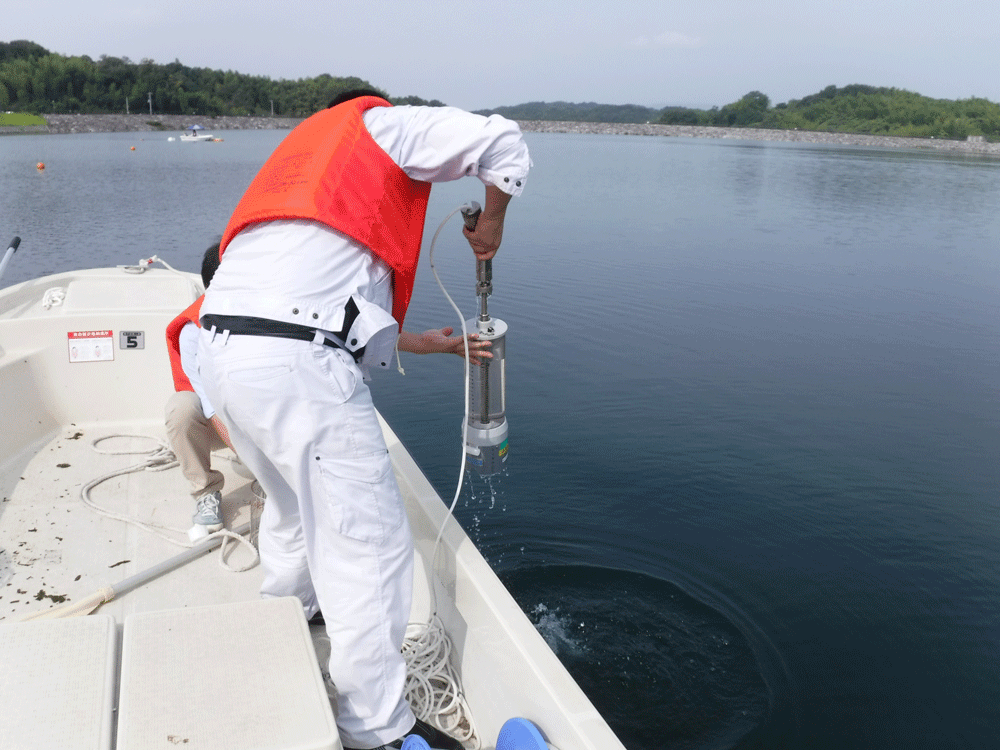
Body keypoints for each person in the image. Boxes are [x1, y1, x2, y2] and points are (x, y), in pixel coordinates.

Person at [197, 90, 530, 750]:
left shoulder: (299, 157)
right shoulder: (382, 124)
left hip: (225, 354)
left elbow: (311, 303)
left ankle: (287, 621)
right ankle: (378, 731)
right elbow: (504, 145)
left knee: (292, 509)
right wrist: (492, 226)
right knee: (367, 545)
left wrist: (426, 343)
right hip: (297, 368)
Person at [164, 243, 234, 534]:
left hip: (257, 412)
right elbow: (209, 403)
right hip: (220, 422)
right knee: (181, 408)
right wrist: (243, 443)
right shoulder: (193, 331)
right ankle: (206, 492)